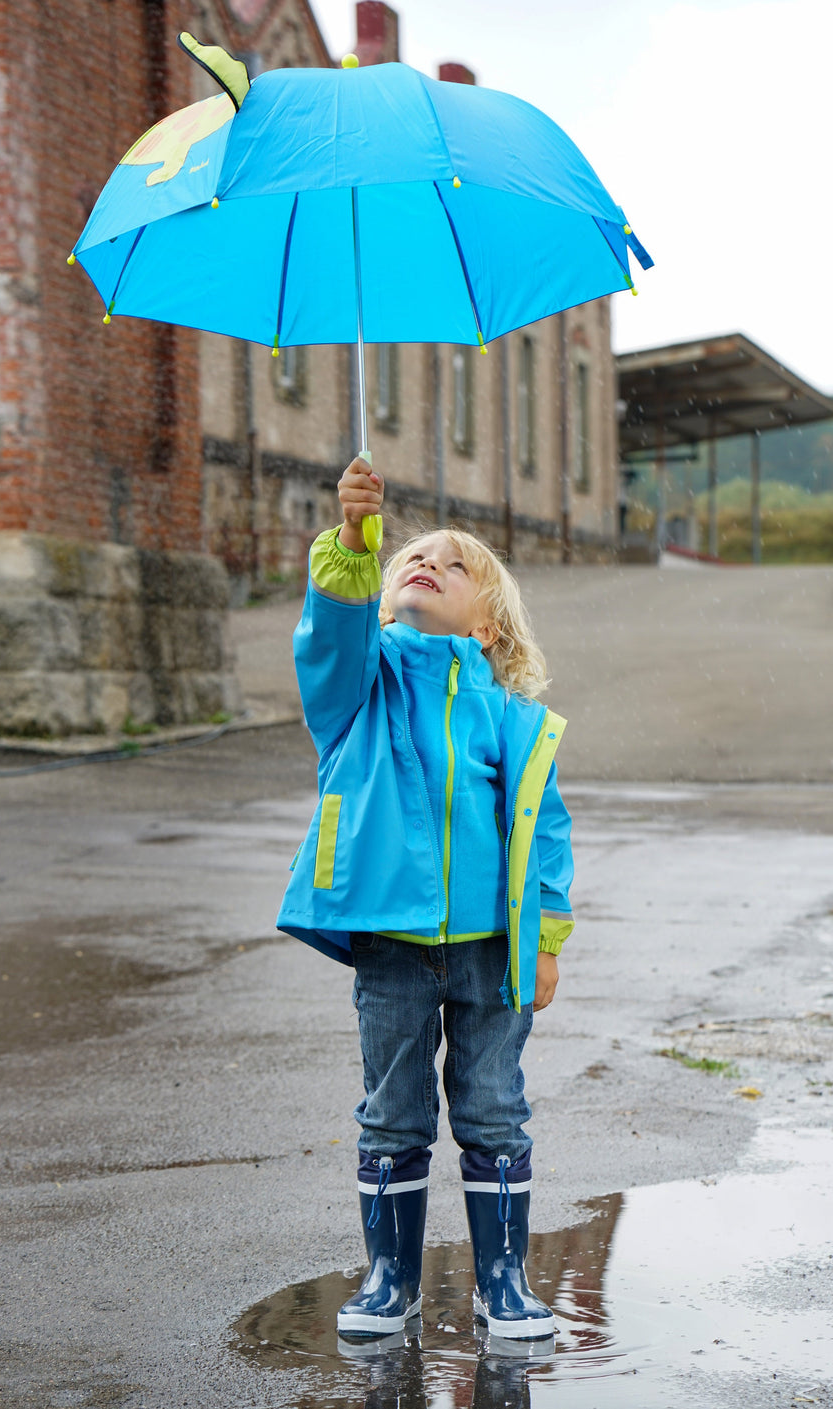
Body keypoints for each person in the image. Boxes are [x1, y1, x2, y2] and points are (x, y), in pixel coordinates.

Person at [276, 457, 574, 1342]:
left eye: (454, 565)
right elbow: (329, 637)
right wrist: (356, 540)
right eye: (413, 556)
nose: (427, 564)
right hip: (392, 946)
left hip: (492, 949)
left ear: (487, 622)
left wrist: (547, 937)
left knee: (492, 1106)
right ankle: (389, 1278)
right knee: (393, 1110)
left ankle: (503, 1282)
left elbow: (546, 834)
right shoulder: (360, 689)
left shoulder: (514, 719)